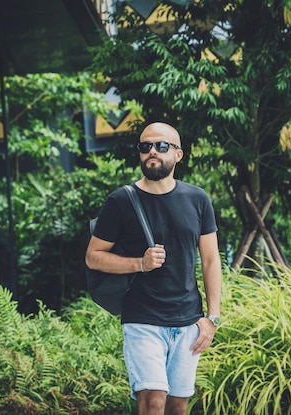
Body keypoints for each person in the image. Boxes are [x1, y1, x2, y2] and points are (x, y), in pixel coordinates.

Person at [85, 122, 222, 415]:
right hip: (142, 319)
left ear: (178, 155)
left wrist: (212, 318)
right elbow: (93, 256)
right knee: (153, 400)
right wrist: (139, 264)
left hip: (188, 321)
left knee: (177, 407)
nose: (152, 152)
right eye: (145, 146)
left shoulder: (197, 199)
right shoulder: (121, 200)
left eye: (161, 146)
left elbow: (211, 260)